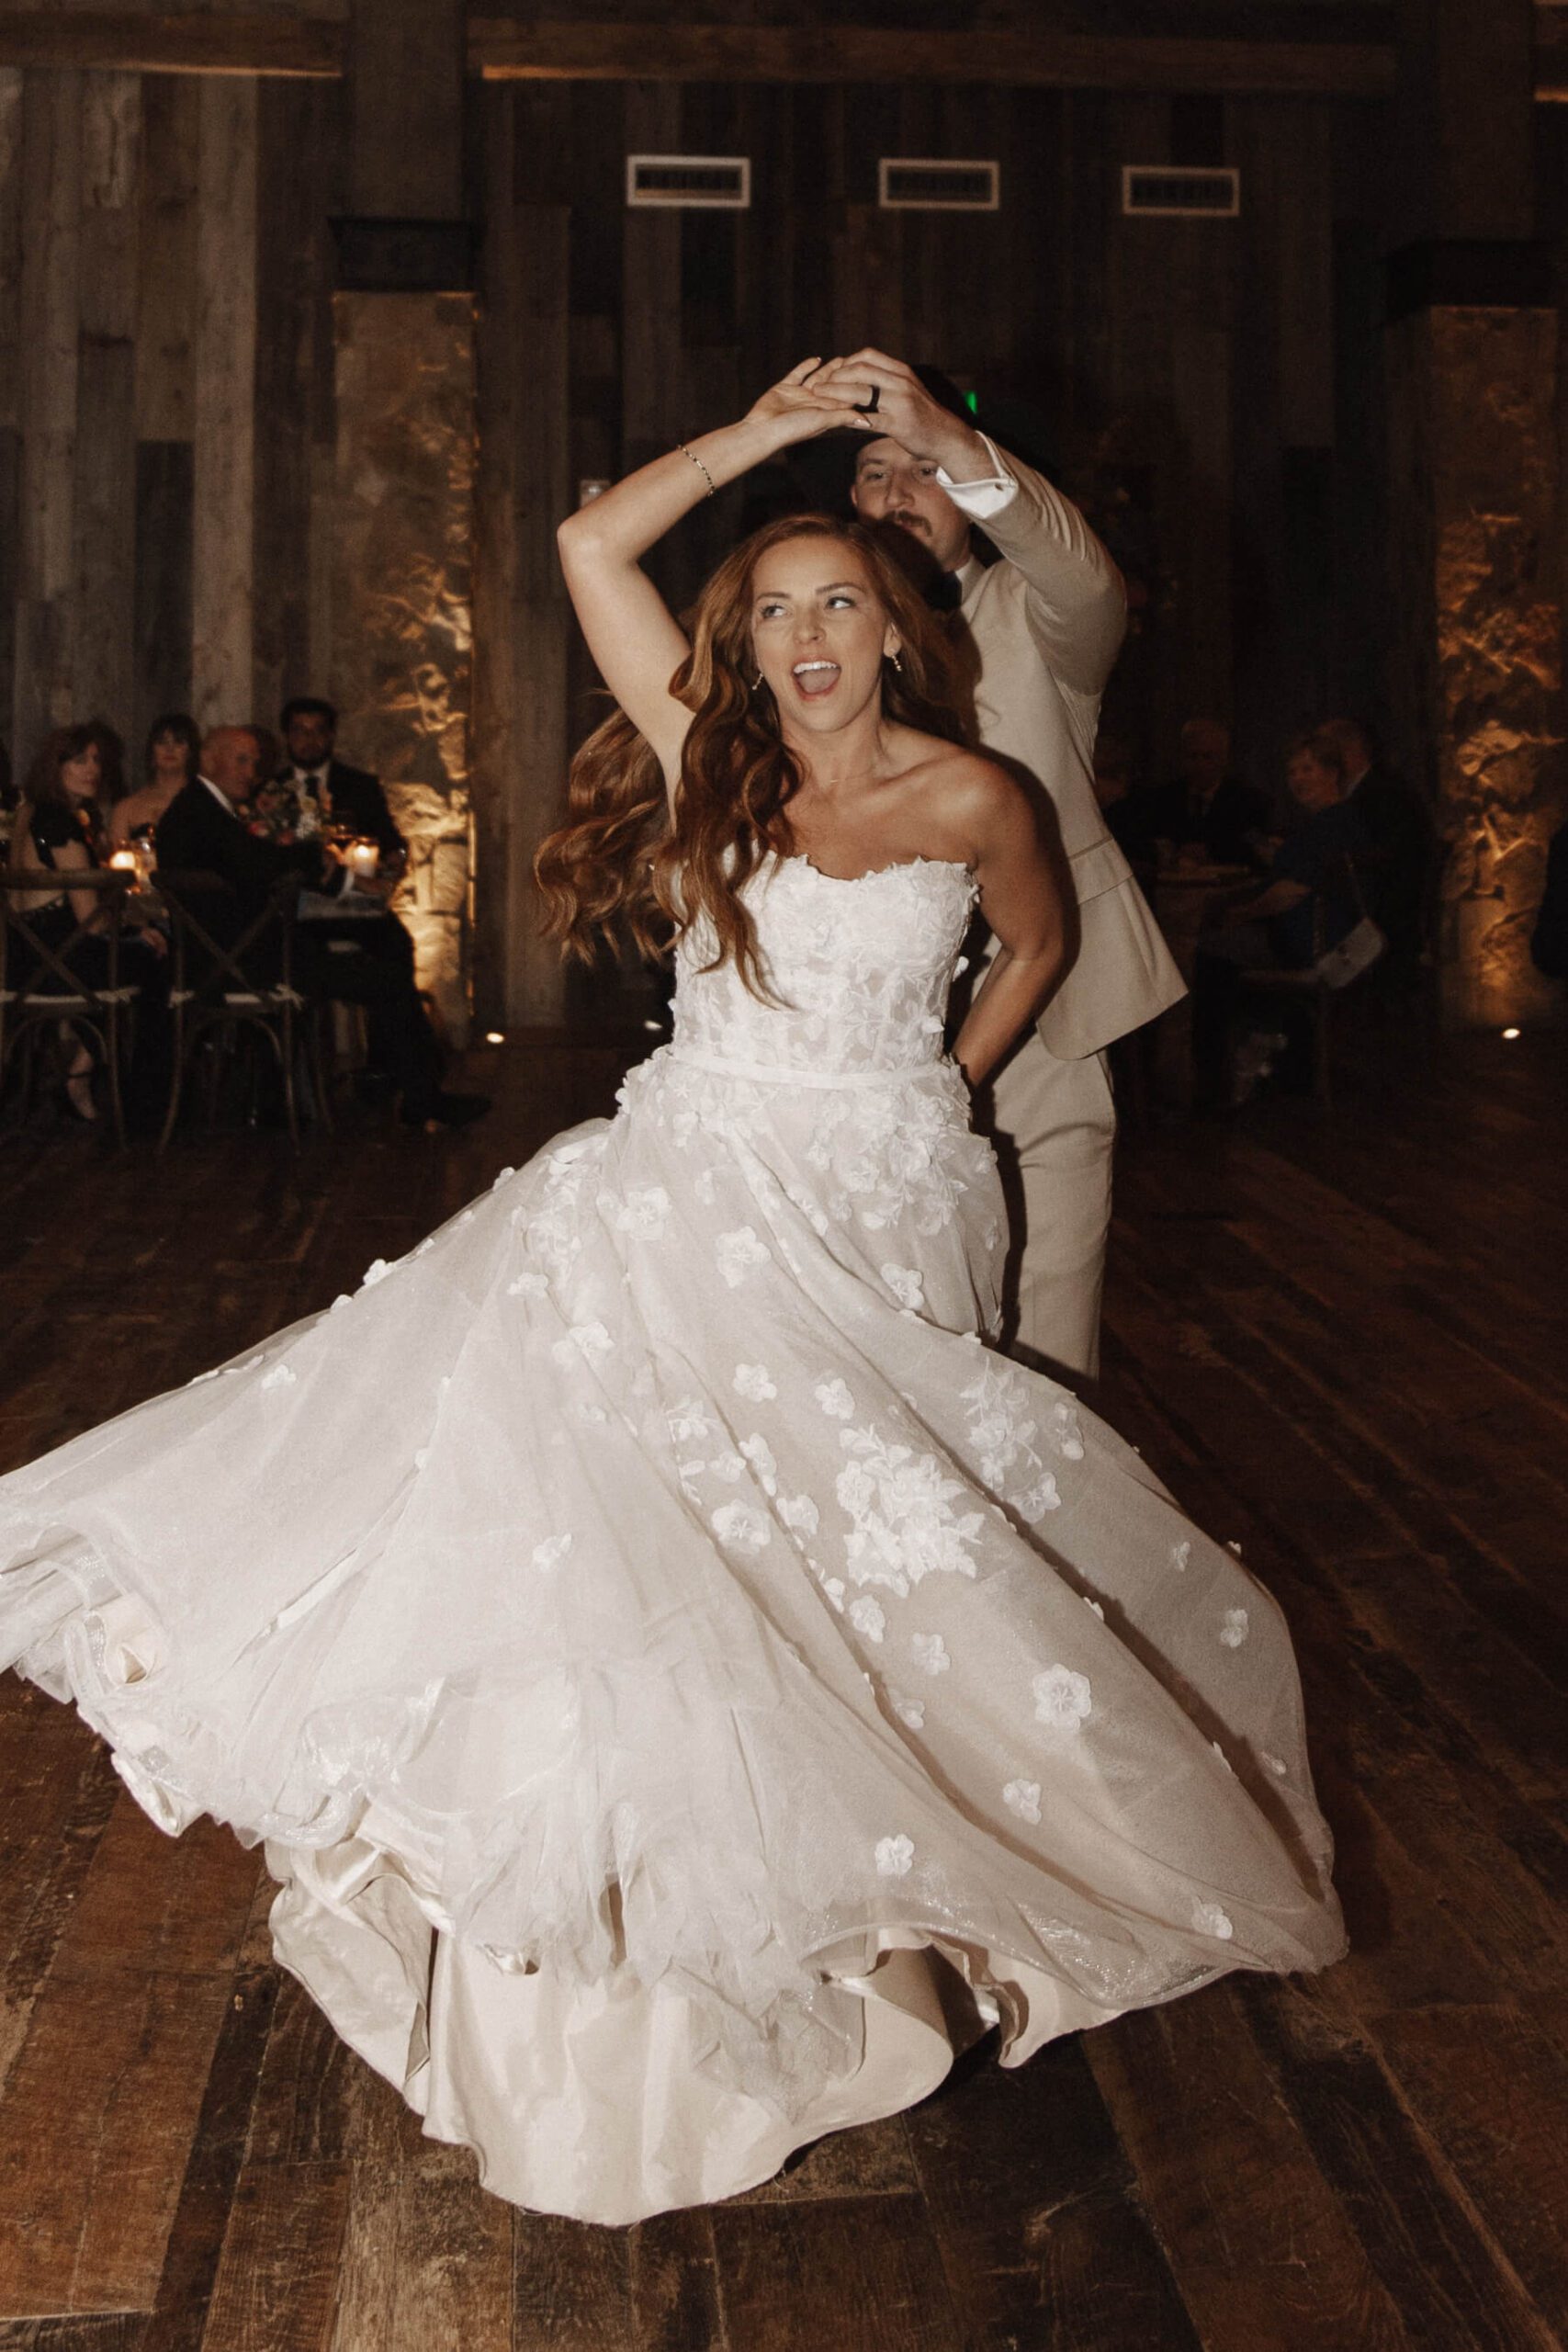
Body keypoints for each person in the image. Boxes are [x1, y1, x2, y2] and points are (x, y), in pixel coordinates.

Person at [0, 363, 1344, 2227]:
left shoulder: (977, 783)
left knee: (858, 1561)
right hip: (687, 1186)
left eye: (837, 604)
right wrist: (767, 441)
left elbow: (1033, 943)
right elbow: (580, 540)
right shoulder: (712, 746)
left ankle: (896, 1896)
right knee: (644, 1539)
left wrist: (936, 1079)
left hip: (887, 1194)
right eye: (773, 609)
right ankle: (647, 1995)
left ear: (899, 626)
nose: (803, 640)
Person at [843, 349, 1184, 1385]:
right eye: (870, 472)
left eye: (924, 471)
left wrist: (951, 436)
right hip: (859, 1037)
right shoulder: (814, 652)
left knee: (1043, 1361)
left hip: (1041, 1028)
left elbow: (1085, 577)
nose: (897, 491)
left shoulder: (1039, 625)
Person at [154, 726, 486, 1129]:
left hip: (232, 958)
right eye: (241, 759)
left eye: (255, 761)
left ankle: (406, 1089)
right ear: (208, 760)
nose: (251, 771)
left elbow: (256, 866)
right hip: (246, 967)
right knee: (387, 978)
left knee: (382, 953)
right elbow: (261, 864)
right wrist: (323, 864)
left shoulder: (202, 809)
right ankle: (419, 1097)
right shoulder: (202, 813)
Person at [1194, 727, 1372, 1103]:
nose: (1297, 780)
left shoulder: (1330, 824)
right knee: (1222, 948)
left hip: (1312, 943)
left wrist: (1244, 911)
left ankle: (1214, 1083)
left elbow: (1293, 891)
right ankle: (1267, 1051)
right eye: (1293, 772)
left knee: (1210, 953)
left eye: (1307, 770)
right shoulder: (1337, 822)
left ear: (1332, 773)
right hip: (1322, 937)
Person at [7, 725, 168, 1121]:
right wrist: (136, 931)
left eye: (97, 760)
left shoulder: (33, 813)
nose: (93, 769)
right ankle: (140, 1101)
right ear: (55, 767)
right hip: (59, 962)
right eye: (80, 760)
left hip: (26, 960)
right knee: (162, 959)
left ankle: (83, 1070)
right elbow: (90, 922)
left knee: (146, 949)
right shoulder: (59, 824)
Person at [1319, 718, 1433, 982]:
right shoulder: (1369, 789)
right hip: (1377, 909)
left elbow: (1387, 858)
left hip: (1381, 920)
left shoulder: (1382, 794)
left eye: (1324, 757)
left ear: (1348, 752)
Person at [278, 695, 406, 865]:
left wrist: (396, 856)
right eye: (300, 731)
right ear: (287, 736)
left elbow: (390, 843)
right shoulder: (270, 790)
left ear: (331, 735)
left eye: (319, 730)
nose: (310, 739)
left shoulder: (362, 787)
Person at [1147, 718, 1271, 870]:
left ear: (1223, 759)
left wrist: (1212, 852)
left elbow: (1257, 852)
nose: (1199, 765)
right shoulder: (1164, 799)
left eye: (1207, 757)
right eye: (1193, 756)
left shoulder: (1247, 801)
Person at [108, 712, 201, 848]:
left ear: (190, 751)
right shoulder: (126, 808)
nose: (170, 749)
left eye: (178, 742)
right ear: (152, 751)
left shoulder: (203, 803)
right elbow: (118, 862)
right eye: (162, 742)